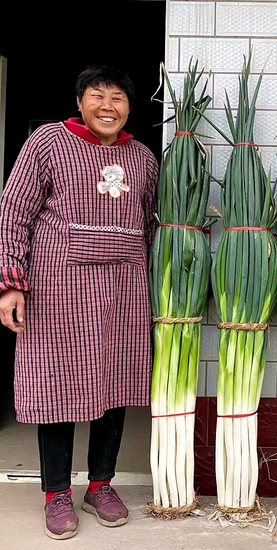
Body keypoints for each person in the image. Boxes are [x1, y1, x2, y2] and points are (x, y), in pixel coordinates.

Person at [0, 66, 158, 540]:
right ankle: (56, 494)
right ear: (80, 101)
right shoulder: (48, 142)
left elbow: (152, 224)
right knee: (58, 386)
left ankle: (101, 486)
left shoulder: (143, 158)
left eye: (118, 98)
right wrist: (11, 282)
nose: (108, 106)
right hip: (57, 288)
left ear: (129, 108)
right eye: (98, 95)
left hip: (124, 289)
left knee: (116, 381)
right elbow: (15, 212)